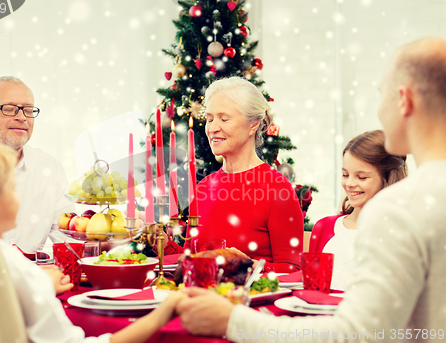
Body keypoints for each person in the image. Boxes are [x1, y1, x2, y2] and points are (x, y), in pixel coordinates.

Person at [176, 36, 446, 342]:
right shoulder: (414, 203)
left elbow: (358, 334)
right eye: (210, 118)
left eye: (381, 96)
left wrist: (233, 321)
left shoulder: (397, 209)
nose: (380, 111)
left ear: (404, 100)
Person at [0, 140, 185, 343]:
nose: (18, 195)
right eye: (13, 188)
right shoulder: (18, 269)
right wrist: (164, 311)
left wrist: (40, 282)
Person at [163, 76, 304, 273]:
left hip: (248, 302)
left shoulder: (277, 188)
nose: (212, 128)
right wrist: (163, 245)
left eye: (224, 118)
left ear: (253, 124)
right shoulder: (204, 187)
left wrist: (246, 265)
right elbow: (193, 260)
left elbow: (293, 270)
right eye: (210, 119)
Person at [0, 76, 75, 255]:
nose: (22, 117)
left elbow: (69, 241)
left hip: (34, 279)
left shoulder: (50, 169)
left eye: (28, 110)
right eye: (9, 109)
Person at [309, 130, 407, 290]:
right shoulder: (323, 227)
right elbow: (310, 291)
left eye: (362, 177)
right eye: (345, 174)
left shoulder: (397, 234)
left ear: (388, 178)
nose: (349, 183)